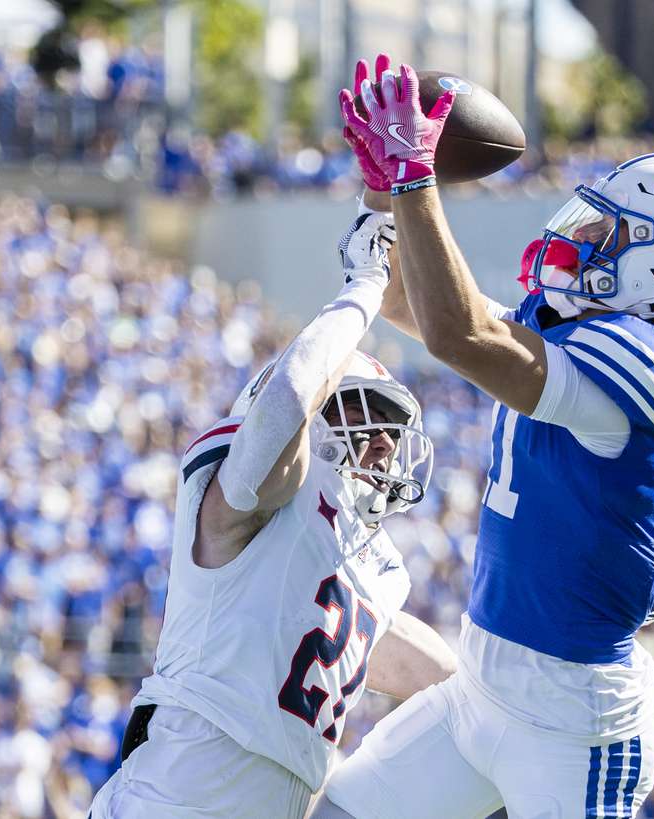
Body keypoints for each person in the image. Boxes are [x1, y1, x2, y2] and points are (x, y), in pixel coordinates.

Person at [313, 57, 654, 818]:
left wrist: (417, 178)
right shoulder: (583, 331)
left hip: (574, 729)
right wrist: (381, 185)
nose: (584, 237)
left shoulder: (653, 364)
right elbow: (409, 300)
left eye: (613, 233)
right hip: (482, 690)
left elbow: (463, 335)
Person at [89, 210, 458, 818]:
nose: (385, 444)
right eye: (368, 415)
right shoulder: (269, 490)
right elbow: (288, 399)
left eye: (394, 431)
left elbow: (457, 685)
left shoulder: (365, 573)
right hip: (175, 798)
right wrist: (364, 286)